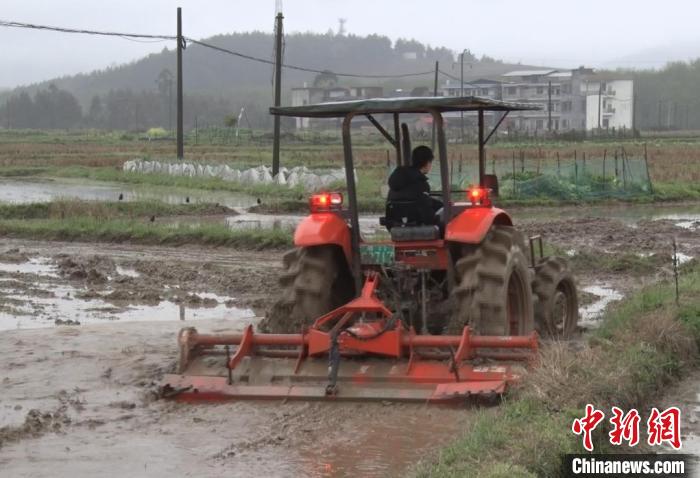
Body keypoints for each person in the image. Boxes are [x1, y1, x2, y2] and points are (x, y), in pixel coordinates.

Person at [386, 145, 443, 226]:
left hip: (397, 227)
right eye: (431, 162)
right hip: (419, 229)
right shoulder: (421, 185)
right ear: (427, 162)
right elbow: (428, 217)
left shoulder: (396, 181)